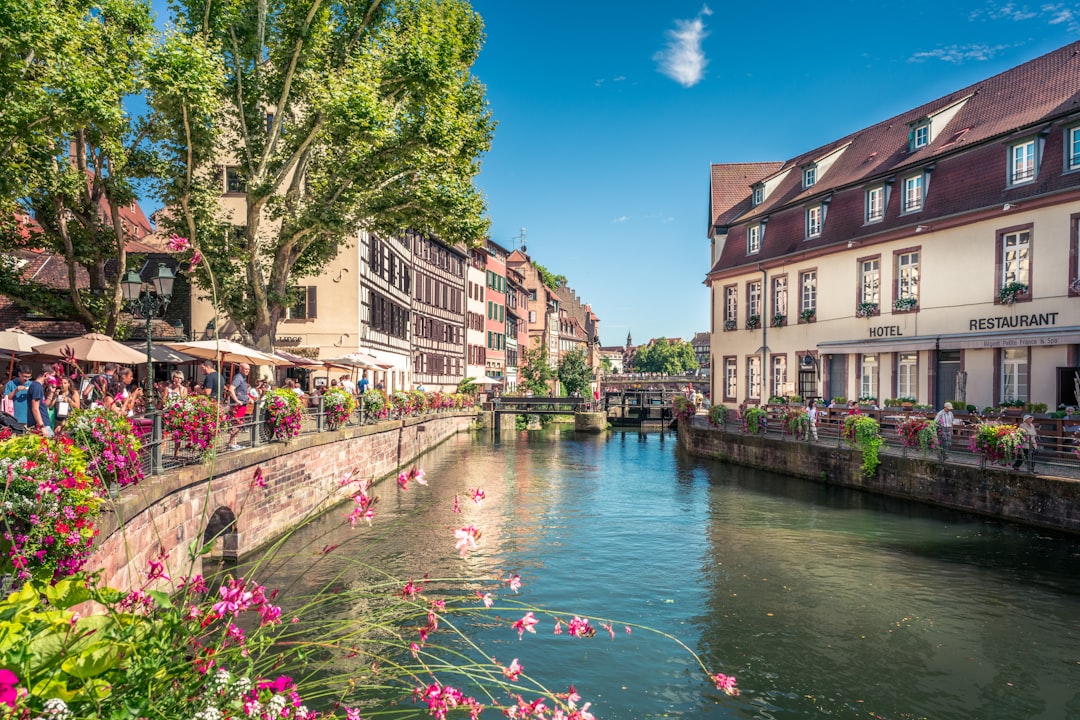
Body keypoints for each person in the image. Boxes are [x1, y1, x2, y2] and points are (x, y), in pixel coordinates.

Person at [226, 363, 250, 450]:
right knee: (236, 424)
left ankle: (235, 443)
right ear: (240, 369)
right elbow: (231, 389)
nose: (247, 371)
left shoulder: (243, 378)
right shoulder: (238, 377)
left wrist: (248, 398)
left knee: (239, 424)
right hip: (237, 406)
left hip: (242, 404)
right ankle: (231, 444)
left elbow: (242, 392)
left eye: (248, 369)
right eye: (245, 369)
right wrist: (237, 400)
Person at [27, 367, 53, 436]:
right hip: (41, 425)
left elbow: (44, 405)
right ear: (46, 374)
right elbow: (35, 409)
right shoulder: (37, 387)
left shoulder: (37, 386)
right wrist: (42, 427)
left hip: (42, 424)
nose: (53, 381)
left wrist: (51, 392)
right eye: (52, 377)